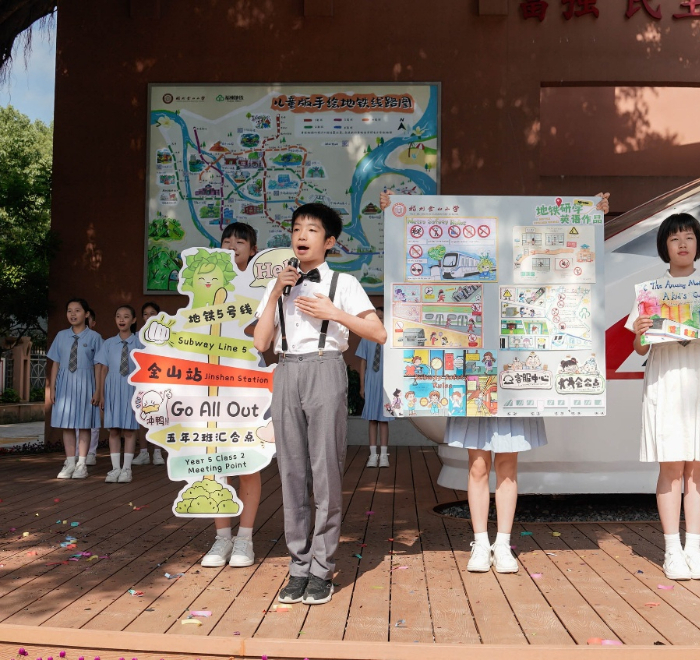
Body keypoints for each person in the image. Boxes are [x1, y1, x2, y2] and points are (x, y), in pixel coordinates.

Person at [378, 190, 609, 574]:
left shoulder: (524, 276)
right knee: (477, 466)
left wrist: (592, 212)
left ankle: (503, 543)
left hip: (512, 385)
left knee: (507, 467)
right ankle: (480, 541)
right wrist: (395, 212)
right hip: (473, 383)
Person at [253, 203, 386, 605]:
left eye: (311, 229)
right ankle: (298, 567)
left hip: (326, 368)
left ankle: (322, 569)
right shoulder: (279, 284)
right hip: (286, 370)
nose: (302, 235)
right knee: (291, 471)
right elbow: (261, 342)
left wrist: (334, 313)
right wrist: (275, 292)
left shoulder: (343, 282)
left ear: (329, 242)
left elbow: (378, 332)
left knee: (325, 470)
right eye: (297, 228)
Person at [627, 213, 700, 581]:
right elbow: (640, 349)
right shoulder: (651, 292)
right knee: (671, 467)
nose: (682, 244)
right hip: (666, 381)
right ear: (665, 246)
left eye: (689, 237)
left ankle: (694, 547)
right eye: (675, 238)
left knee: (698, 467)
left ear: (698, 244)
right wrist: (641, 331)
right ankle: (672, 550)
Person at [201, 222, 263, 568]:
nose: (232, 246)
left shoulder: (262, 287)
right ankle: (222, 538)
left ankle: (245, 539)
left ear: (253, 251)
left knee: (246, 461)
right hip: (210, 383)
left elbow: (266, 332)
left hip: (247, 383)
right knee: (215, 461)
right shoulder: (205, 283)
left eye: (240, 241)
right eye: (227, 240)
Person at [49, 298, 103, 479]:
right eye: (69, 310)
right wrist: (53, 388)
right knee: (67, 425)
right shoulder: (61, 336)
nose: (73, 314)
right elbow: (55, 363)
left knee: (84, 425)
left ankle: (82, 464)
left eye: (77, 310)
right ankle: (70, 463)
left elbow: (98, 366)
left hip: (86, 383)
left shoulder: (95, 337)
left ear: (86, 314)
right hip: (65, 384)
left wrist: (98, 390)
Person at [94, 305, 142, 483]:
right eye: (118, 316)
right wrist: (101, 394)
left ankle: (127, 469)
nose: (122, 320)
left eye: (126, 316)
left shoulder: (140, 344)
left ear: (133, 320)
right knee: (113, 429)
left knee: (129, 429)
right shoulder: (108, 343)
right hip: (112, 388)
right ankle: (115, 468)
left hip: (132, 388)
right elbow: (103, 369)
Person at [356, 307, 390, 468]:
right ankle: (372, 454)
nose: (379, 320)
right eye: (377, 318)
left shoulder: (389, 338)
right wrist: (362, 385)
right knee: (372, 419)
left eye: (382, 318)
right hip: (372, 381)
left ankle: (383, 455)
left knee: (384, 420)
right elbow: (363, 362)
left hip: (386, 382)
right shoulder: (366, 337)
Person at [133, 301, 165, 466]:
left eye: (152, 313)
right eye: (145, 314)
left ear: (158, 315)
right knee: (141, 416)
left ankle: (157, 452)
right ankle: (143, 452)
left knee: (157, 416)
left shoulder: (165, 334)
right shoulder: (136, 336)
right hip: (141, 381)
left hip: (159, 380)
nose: (148, 317)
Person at [76, 309, 101, 466]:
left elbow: (101, 365)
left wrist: (99, 388)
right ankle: (76, 452)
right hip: (78, 384)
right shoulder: (72, 339)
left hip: (93, 384)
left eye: (88, 320)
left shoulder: (97, 339)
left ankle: (91, 452)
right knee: (77, 420)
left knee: (92, 420)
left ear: (93, 323)